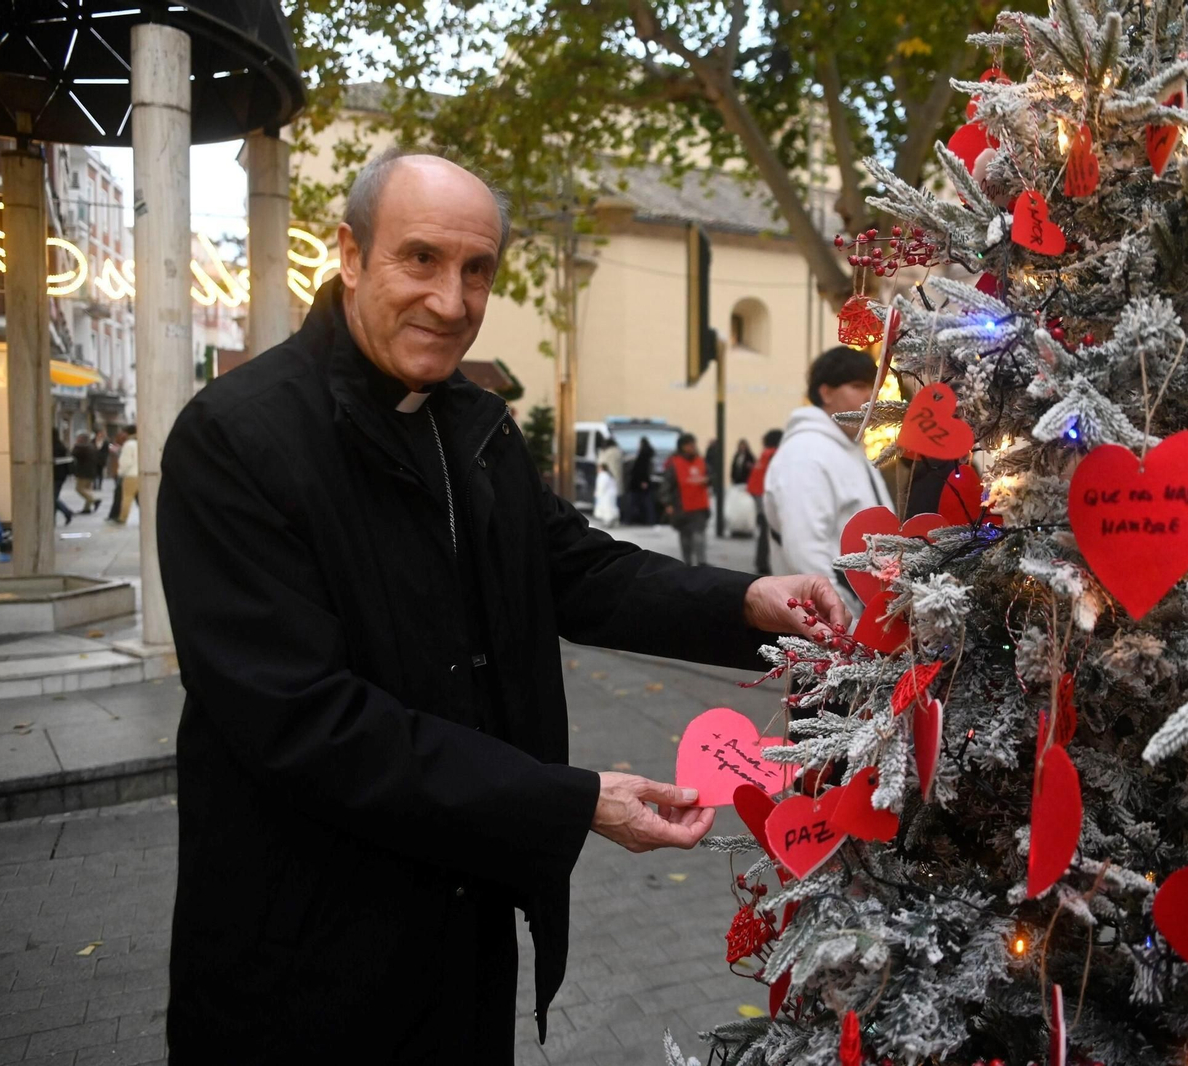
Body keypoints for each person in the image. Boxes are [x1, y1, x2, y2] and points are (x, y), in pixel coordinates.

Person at [156, 147, 846, 1064]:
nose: (452, 301)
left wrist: (749, 600)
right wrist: (569, 803)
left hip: (459, 932)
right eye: (422, 259)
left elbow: (577, 570)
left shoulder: (469, 423)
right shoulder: (234, 438)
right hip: (301, 955)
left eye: (477, 270)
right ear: (351, 255)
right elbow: (305, 723)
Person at [764, 346, 892, 615]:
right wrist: (849, 626)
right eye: (858, 386)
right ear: (826, 393)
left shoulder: (849, 450)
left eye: (873, 386)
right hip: (834, 629)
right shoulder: (805, 454)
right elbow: (807, 554)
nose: (870, 396)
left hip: (870, 619)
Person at [661, 432, 712, 565]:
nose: (693, 447)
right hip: (681, 506)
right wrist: (668, 503)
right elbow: (667, 484)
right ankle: (687, 563)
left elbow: (711, 476)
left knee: (699, 535)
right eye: (689, 445)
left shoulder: (701, 461)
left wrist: (708, 480)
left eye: (693, 444)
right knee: (686, 537)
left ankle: (702, 562)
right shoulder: (674, 463)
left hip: (700, 505)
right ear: (682, 447)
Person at [749, 429, 781, 575]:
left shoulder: (765, 454)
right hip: (766, 497)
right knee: (767, 533)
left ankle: (761, 562)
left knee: (763, 531)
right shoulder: (775, 454)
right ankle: (763, 564)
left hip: (758, 495)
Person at [592, 434, 621, 527]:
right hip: (615, 480)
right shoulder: (618, 451)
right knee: (614, 504)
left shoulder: (605, 453)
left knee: (607, 506)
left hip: (607, 483)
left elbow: (601, 462)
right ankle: (616, 520)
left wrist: (597, 493)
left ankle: (608, 521)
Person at [628, 436, 658, 526]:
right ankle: (649, 520)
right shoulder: (648, 455)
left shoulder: (643, 455)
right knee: (647, 503)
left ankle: (630, 520)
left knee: (636, 502)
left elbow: (641, 470)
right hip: (643, 482)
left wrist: (643, 481)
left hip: (639, 483)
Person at [112, 424, 139, 524]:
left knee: (127, 497)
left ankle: (123, 518)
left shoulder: (129, 444)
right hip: (141, 474)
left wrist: (120, 472)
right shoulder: (140, 442)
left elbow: (125, 462)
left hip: (131, 475)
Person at [71, 432, 100, 514]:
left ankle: (94, 500)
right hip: (92, 472)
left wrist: (76, 445)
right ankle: (87, 508)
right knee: (88, 490)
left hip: (83, 473)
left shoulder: (82, 448)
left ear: (81, 439)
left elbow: (73, 454)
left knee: (79, 489)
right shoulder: (92, 446)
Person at [52, 428, 74, 525]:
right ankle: (53, 519)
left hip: (56, 476)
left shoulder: (54, 447)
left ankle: (67, 512)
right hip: (60, 476)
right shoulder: (60, 445)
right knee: (53, 498)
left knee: (52, 498)